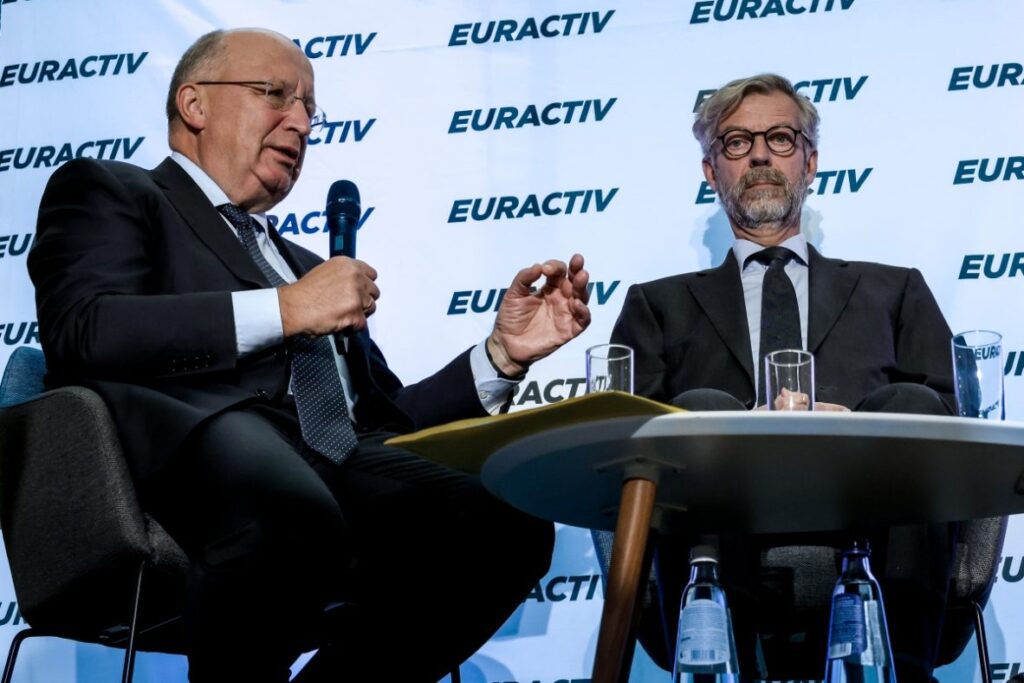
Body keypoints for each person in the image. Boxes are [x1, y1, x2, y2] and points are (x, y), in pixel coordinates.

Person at [29, 28, 591, 683]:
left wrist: (501, 356)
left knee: (507, 522)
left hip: (333, 473)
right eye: (275, 94)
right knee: (287, 503)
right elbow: (85, 329)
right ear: (194, 104)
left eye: (309, 110)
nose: (299, 122)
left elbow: (381, 426)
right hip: (193, 457)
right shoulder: (112, 190)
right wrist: (287, 309)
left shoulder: (303, 265)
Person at [610, 74, 955, 682]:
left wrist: (855, 424)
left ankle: (901, 670)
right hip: (723, 521)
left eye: (780, 138)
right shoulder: (657, 305)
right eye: (737, 142)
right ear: (711, 170)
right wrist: (739, 426)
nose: (761, 155)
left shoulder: (894, 289)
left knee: (911, 403)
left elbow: (951, 420)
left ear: (810, 162)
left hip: (869, 512)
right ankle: (716, 665)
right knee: (698, 407)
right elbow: (625, 441)